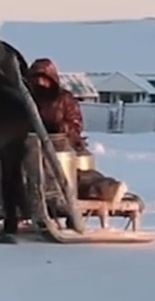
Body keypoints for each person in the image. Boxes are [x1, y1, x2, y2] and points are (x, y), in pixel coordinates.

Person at [26, 58, 129, 204]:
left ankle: (107, 188)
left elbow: (75, 124)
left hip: (61, 146)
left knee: (74, 177)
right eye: (36, 79)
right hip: (33, 147)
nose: (40, 83)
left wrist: (60, 129)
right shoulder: (27, 100)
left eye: (44, 79)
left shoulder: (64, 99)